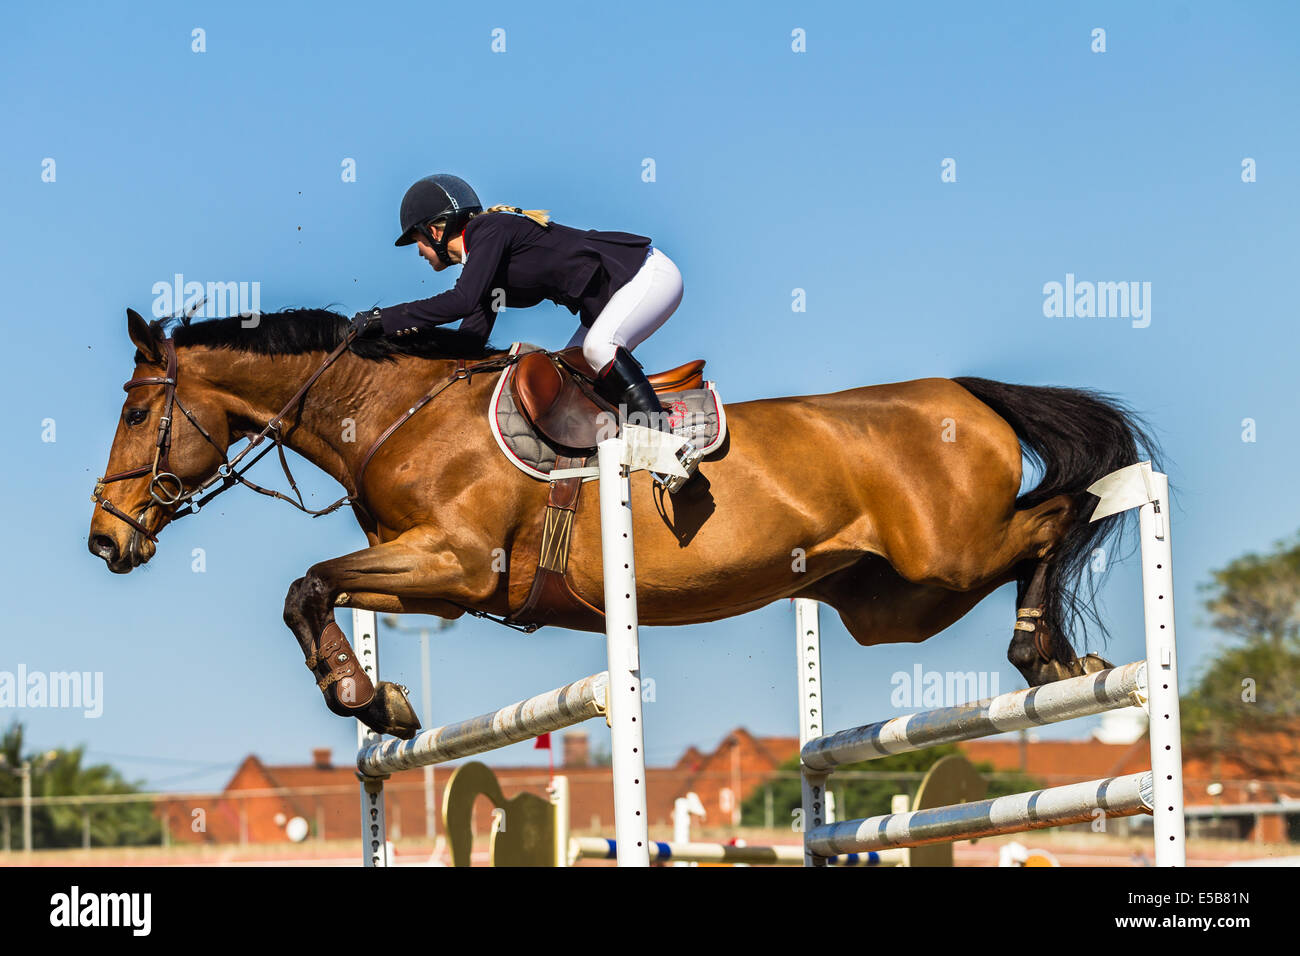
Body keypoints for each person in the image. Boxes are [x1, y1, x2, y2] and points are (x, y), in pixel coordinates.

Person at [351, 173, 685, 436]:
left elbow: (461, 301)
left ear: (435, 232)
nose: (419, 253)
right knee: (568, 376)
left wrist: (385, 318)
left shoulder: (488, 229)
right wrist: (401, 343)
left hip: (646, 274)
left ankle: (666, 441)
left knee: (598, 348)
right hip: (616, 296)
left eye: (417, 242)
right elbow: (469, 342)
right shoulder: (483, 261)